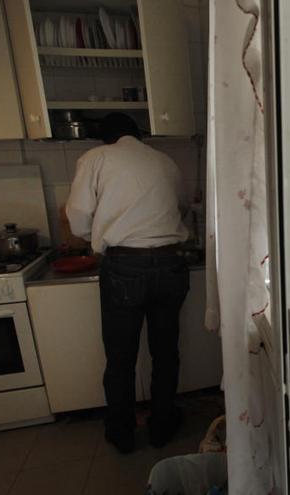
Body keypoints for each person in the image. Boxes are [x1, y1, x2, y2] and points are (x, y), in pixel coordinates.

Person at [66, 113, 190, 454]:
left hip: (124, 267)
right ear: (138, 135)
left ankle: (121, 432)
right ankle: (161, 427)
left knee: (121, 358)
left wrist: (96, 235)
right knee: (165, 353)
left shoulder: (96, 158)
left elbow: (77, 216)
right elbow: (181, 207)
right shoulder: (164, 160)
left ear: (106, 138)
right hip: (171, 263)